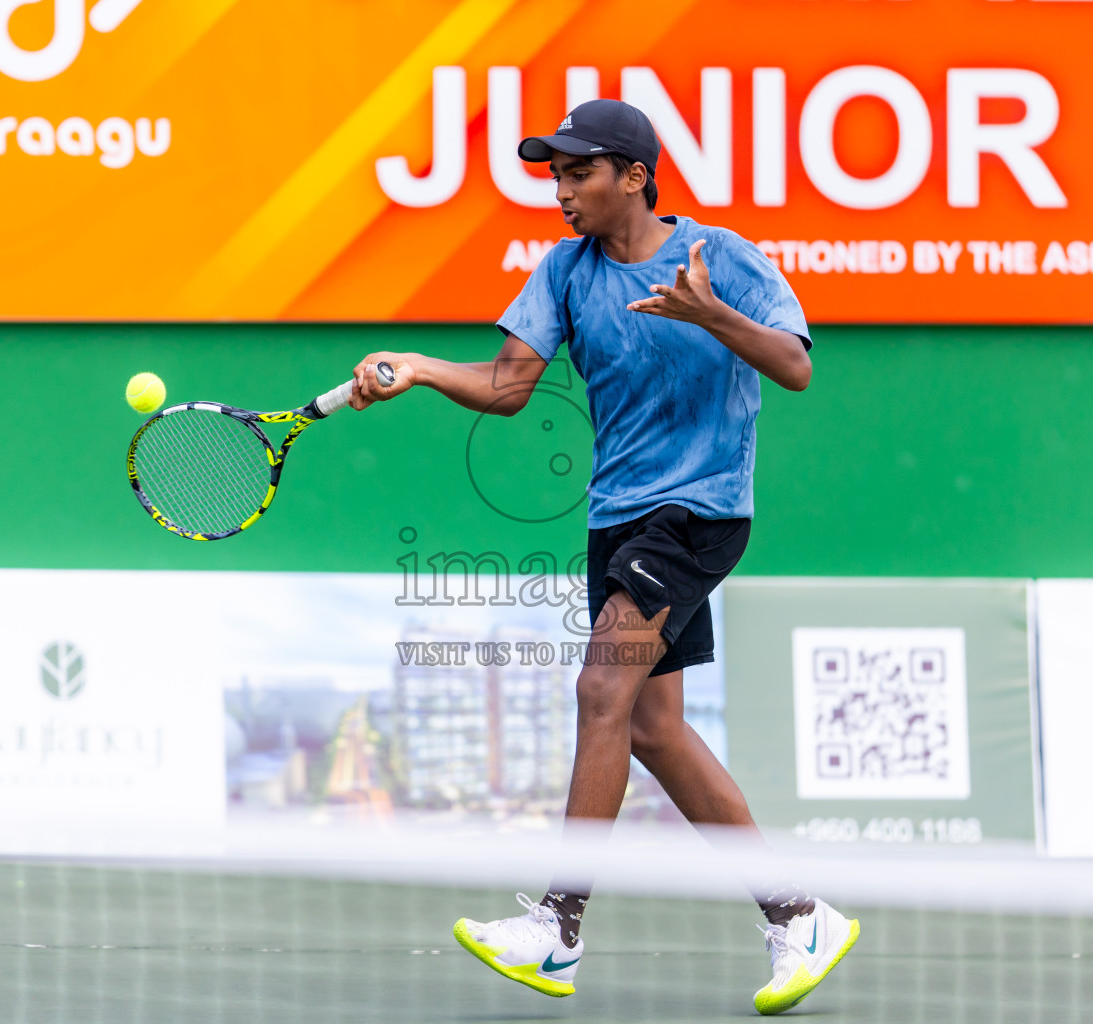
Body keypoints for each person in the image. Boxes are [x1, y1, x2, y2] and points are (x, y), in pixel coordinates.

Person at [349, 98, 857, 1015]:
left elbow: (794, 365)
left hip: (698, 509)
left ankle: (558, 925)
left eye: (579, 173)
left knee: (599, 687)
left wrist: (711, 315)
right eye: (555, 176)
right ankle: (798, 914)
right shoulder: (566, 271)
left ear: (634, 176)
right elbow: (508, 388)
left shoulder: (721, 258)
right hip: (617, 519)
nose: (563, 192)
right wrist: (421, 368)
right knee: (653, 727)